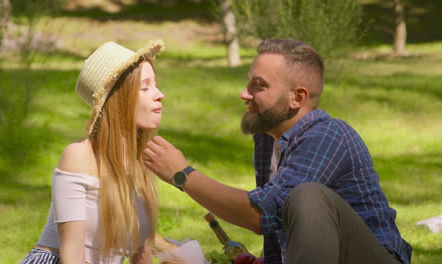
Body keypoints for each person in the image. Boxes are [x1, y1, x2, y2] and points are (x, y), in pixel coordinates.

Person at [143, 38, 412, 264]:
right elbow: (276, 226)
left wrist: (182, 174)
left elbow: (262, 214)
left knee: (307, 195)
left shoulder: (327, 135)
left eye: (258, 86)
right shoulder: (267, 140)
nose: (243, 94)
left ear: (298, 97)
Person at [20, 40, 165, 264]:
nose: (159, 95)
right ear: (118, 101)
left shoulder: (142, 161)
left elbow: (140, 252)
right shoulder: (79, 157)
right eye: (145, 87)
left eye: (155, 85)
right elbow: (73, 259)